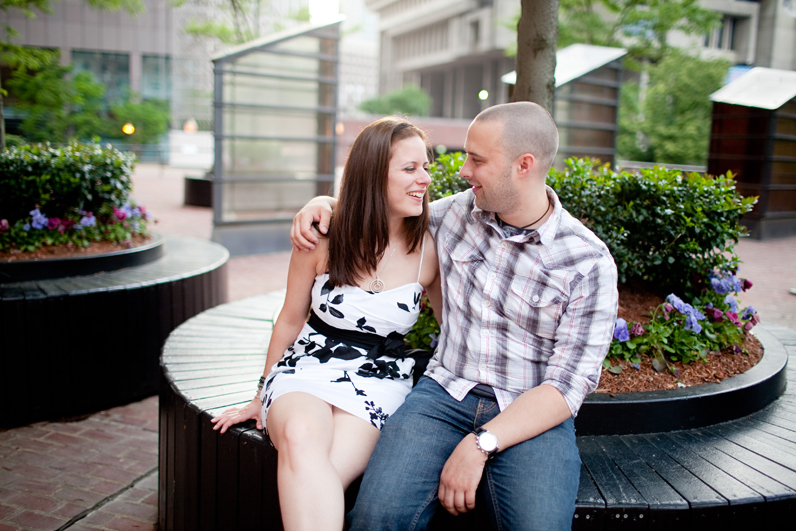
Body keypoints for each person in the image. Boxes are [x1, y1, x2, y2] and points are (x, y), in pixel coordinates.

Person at [290, 102, 619, 530]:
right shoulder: (454, 215)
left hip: (530, 411)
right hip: (443, 394)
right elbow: (379, 206)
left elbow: (566, 388)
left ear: (523, 165)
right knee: (377, 518)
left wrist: (481, 444)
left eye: (477, 160)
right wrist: (322, 205)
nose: (463, 170)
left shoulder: (587, 262)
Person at [211, 116, 441, 531]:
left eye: (426, 167)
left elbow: (453, 328)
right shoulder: (322, 236)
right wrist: (260, 394)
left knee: (323, 475)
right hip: (307, 367)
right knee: (300, 438)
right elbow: (289, 318)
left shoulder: (430, 250)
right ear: (372, 175)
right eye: (410, 168)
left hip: (380, 380)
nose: (424, 178)